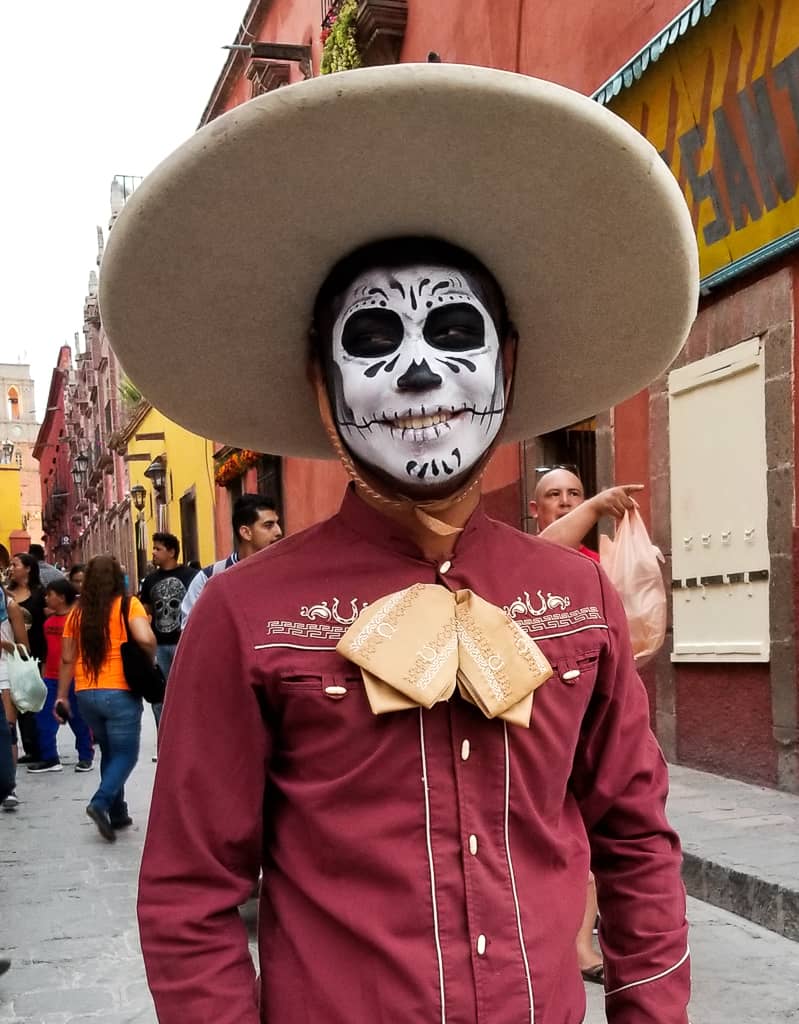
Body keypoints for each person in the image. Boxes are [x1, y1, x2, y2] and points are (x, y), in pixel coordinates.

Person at [102, 65, 698, 1023]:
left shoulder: (575, 599)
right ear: (320, 384)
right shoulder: (242, 615)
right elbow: (190, 894)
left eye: (453, 332)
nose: (419, 371)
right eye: (375, 338)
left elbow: (635, 839)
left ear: (505, 365)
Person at [531, 466, 642, 983]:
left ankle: (581, 943)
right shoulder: (530, 557)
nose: (565, 502)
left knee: (597, 831)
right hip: (545, 720)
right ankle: (566, 941)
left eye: (573, 494)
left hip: (595, 713)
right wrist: (595, 507)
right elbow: (551, 548)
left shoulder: (596, 563)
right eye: (554, 495)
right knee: (563, 831)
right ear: (535, 509)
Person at [58, 555, 156, 840]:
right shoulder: (128, 605)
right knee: (126, 753)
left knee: (110, 751)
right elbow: (147, 639)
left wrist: (61, 696)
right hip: (120, 691)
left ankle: (118, 811)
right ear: (117, 579)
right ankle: (100, 803)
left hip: (86, 694)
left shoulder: (77, 613)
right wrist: (147, 661)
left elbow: (66, 658)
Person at [181, 494, 282, 627]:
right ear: (246, 532)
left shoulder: (286, 574)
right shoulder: (208, 578)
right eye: (268, 525)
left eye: (277, 523)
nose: (279, 531)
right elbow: (190, 632)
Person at [26, 578, 94, 774]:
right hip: (51, 677)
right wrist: (44, 673)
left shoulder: (78, 620)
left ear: (62, 597)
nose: (46, 598)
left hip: (76, 677)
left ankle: (85, 757)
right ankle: (50, 758)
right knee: (44, 717)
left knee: (79, 719)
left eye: (50, 594)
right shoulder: (48, 623)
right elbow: (49, 651)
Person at [139, 534, 197, 725]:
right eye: (153, 548)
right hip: (160, 645)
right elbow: (145, 613)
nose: (153, 552)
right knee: (160, 696)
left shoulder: (191, 576)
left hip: (185, 643)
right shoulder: (149, 581)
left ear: (171, 552)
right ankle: (163, 741)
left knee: (188, 692)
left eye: (158, 549)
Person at [6, 553, 46, 764]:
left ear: (28, 568)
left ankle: (40, 746)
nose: (11, 568)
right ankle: (29, 746)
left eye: (15, 564)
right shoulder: (6, 595)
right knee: (16, 699)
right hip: (10, 654)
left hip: (34, 653)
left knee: (32, 696)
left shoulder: (39, 594)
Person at [0, 586, 28, 811]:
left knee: (8, 730)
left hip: (4, 671)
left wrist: (9, 646)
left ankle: (9, 787)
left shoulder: (10, 607)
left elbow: (24, 648)